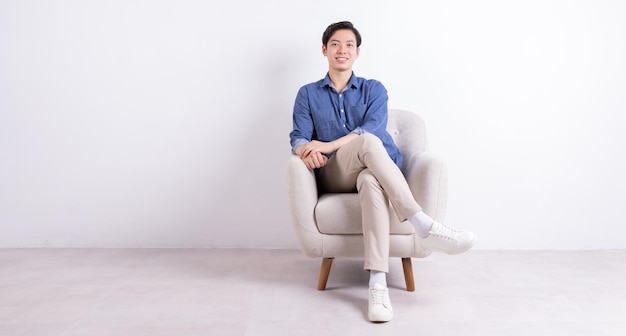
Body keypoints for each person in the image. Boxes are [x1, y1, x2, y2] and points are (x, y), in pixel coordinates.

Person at [289, 21, 476, 323]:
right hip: (336, 173)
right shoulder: (308, 94)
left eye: (349, 45)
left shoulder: (374, 89)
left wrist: (325, 144)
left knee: (370, 175)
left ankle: (377, 283)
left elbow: (371, 129)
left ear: (358, 52)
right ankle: (424, 225)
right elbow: (298, 136)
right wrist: (305, 151)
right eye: (336, 44)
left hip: (372, 168)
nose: (342, 50)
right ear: (325, 50)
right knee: (367, 144)